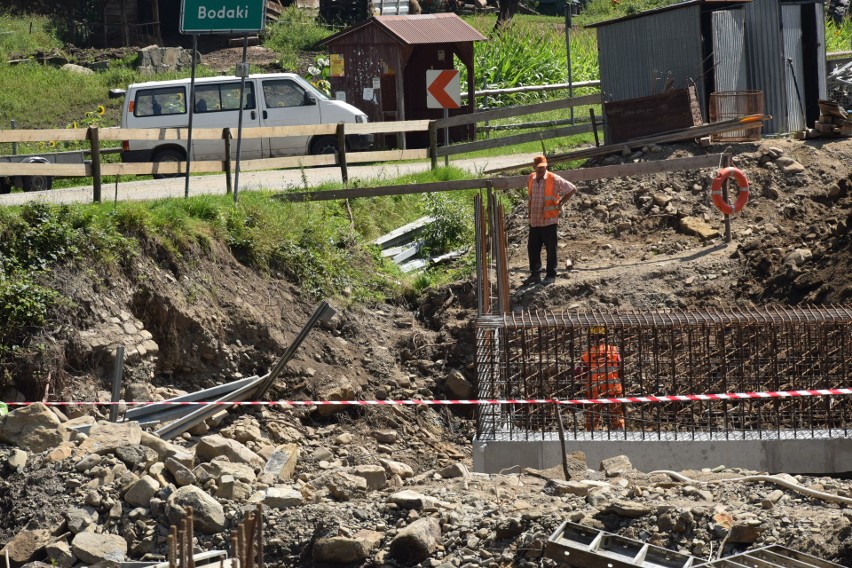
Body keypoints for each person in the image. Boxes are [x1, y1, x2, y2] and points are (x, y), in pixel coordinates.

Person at [523, 155, 577, 285]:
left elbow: (572, 189)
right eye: (539, 167)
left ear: (546, 166)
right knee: (532, 248)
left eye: (543, 167)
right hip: (535, 221)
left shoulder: (554, 179)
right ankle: (535, 274)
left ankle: (551, 275)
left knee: (551, 249)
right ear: (534, 167)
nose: (541, 169)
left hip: (549, 221)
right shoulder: (531, 178)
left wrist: (561, 203)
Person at [578, 326, 625, 430]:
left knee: (592, 415)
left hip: (595, 388)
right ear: (605, 337)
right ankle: (621, 434)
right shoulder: (613, 350)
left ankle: (592, 436)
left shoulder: (587, 353)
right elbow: (621, 367)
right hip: (613, 386)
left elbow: (581, 372)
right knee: (617, 414)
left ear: (592, 338)